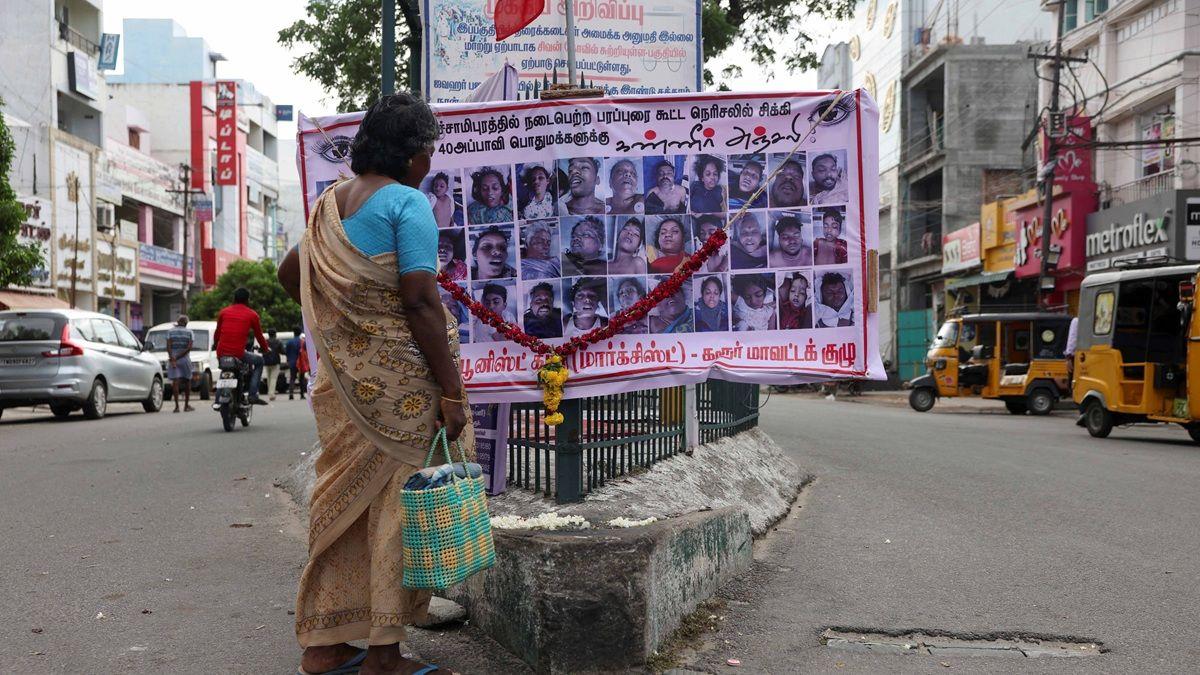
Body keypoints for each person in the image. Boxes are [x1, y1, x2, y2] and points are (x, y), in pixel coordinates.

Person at [276, 93, 468, 675]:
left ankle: (325, 644)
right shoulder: (407, 203)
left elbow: (291, 273)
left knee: (343, 507)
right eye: (428, 149)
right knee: (395, 509)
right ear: (410, 154)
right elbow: (420, 301)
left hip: (344, 388)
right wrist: (452, 392)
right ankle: (383, 652)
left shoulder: (329, 204)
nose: (430, 160)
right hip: (401, 391)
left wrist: (343, 327)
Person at [213, 287, 271, 406]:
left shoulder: (223, 312)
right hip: (238, 353)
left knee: (225, 369)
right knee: (259, 361)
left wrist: (216, 346)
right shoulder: (252, 315)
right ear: (247, 300)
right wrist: (265, 349)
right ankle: (252, 395)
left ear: (234, 299)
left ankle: (218, 397)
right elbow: (259, 336)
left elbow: (217, 334)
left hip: (221, 353)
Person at [166, 315, 194, 412]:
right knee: (187, 381)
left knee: (175, 382)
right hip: (185, 359)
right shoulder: (190, 332)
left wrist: (172, 358)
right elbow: (189, 347)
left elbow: (168, 346)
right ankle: (186, 406)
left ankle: (177, 406)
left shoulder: (170, 332)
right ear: (186, 323)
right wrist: (179, 356)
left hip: (174, 359)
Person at [285, 328, 306, 400]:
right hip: (300, 362)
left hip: (292, 362)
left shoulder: (289, 342)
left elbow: (286, 353)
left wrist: (288, 360)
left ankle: (291, 394)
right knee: (302, 378)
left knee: (292, 378)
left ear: (293, 333)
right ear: (300, 333)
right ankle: (302, 394)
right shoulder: (302, 342)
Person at [264, 328, 284, 401]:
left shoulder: (265, 342)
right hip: (275, 362)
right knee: (273, 378)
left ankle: (270, 392)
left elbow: (261, 350)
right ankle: (271, 394)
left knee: (269, 378)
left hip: (266, 361)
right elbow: (282, 351)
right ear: (275, 334)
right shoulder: (278, 342)